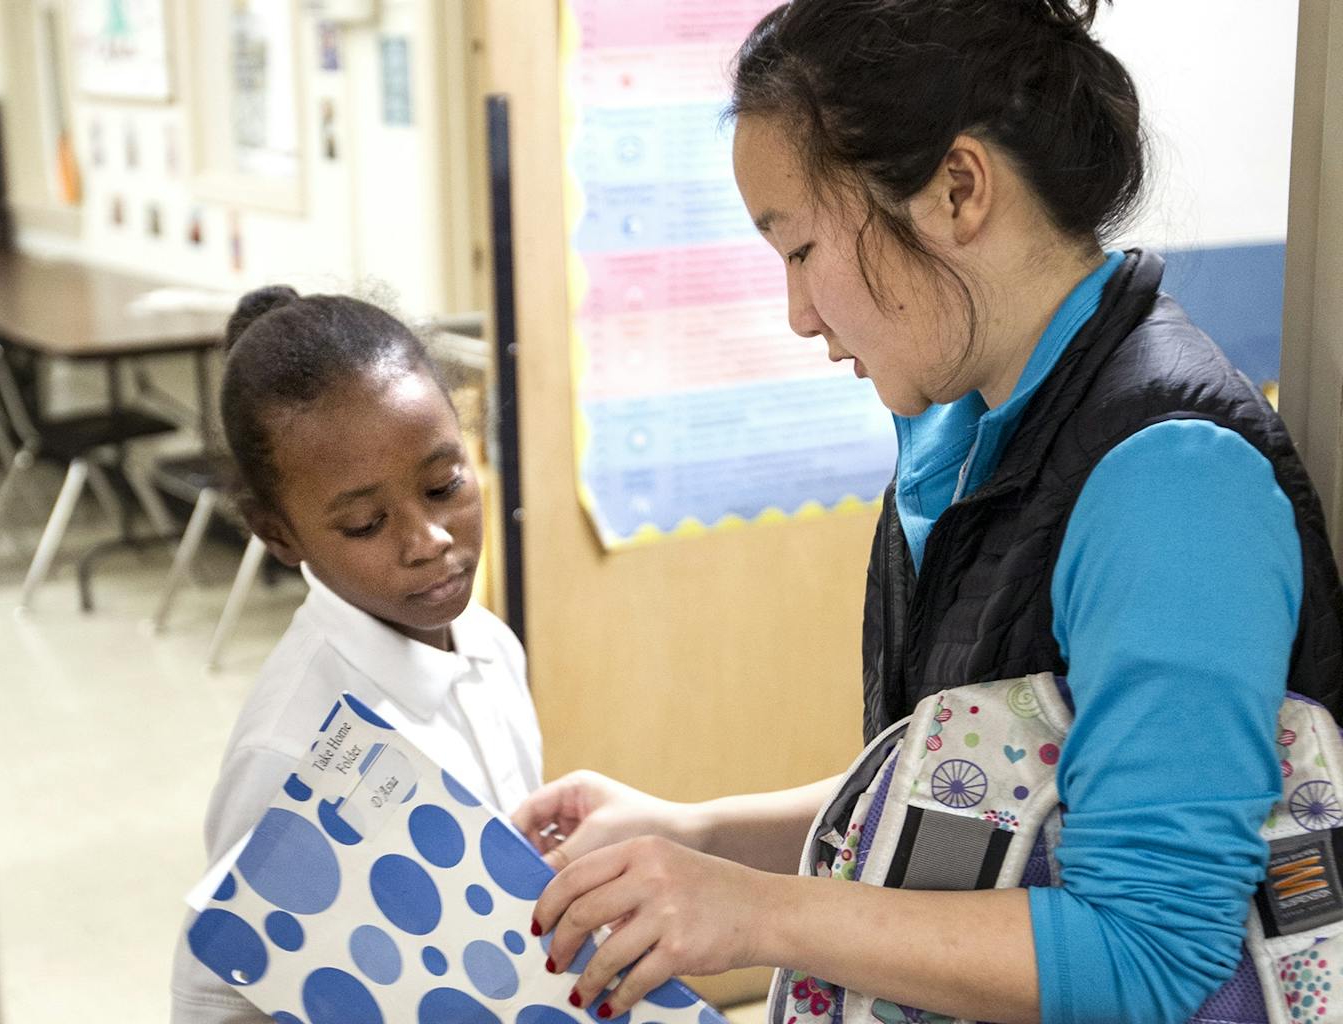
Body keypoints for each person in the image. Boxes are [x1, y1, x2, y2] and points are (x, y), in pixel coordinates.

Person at [512, 2, 1343, 1022]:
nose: (797, 313)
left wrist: (760, 912)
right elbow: (977, 796)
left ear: (956, 190)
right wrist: (699, 834)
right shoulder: (974, 431)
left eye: (801, 248)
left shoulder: (1168, 481)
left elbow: (1149, 951)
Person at [170, 288, 542, 1023]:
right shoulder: (292, 748)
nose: (429, 540)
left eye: (445, 485)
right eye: (367, 524)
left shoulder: (491, 646)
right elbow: (218, 994)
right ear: (279, 536)